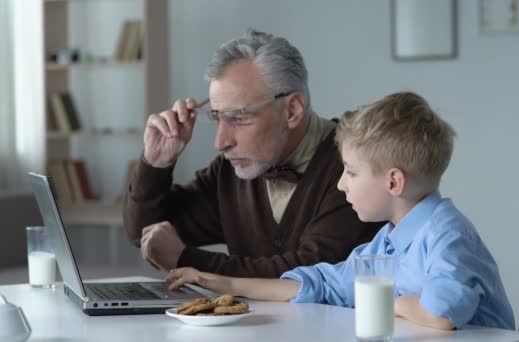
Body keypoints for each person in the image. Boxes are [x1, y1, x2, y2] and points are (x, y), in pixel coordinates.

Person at [165, 92, 516, 330]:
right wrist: (224, 283)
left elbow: (439, 315)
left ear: (393, 182)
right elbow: (323, 283)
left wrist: (388, 303)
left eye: (351, 172)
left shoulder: (447, 234)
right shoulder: (387, 241)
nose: (340, 185)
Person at [123, 29, 379, 277]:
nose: (220, 142)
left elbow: (309, 273)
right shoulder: (228, 172)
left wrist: (186, 260)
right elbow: (146, 234)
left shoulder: (356, 166)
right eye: (217, 118)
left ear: (292, 110)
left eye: (236, 118)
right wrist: (156, 163)